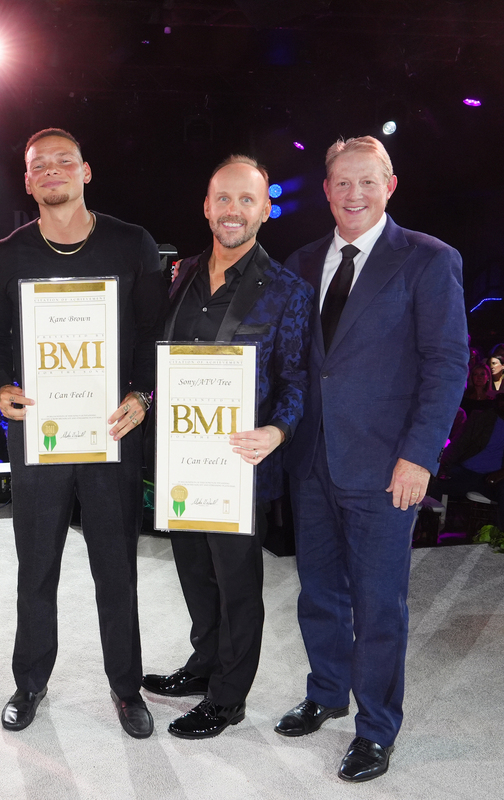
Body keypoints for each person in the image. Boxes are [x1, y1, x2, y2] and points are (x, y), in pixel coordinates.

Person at [279, 136, 467, 782]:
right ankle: (326, 692)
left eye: (366, 182)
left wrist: (419, 455)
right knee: (319, 595)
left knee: (378, 604)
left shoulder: (427, 260)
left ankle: (375, 728)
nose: (352, 194)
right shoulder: (302, 262)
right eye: (340, 183)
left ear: (390, 186)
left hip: (387, 468)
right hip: (311, 462)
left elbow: (446, 365)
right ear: (325, 189)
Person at [0, 128, 168, 739]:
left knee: (117, 569)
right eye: (40, 166)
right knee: (36, 567)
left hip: (112, 432)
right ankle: (30, 681)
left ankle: (125, 687)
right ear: (27, 180)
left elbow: (152, 335)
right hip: (39, 434)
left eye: (65, 161)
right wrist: (2, 384)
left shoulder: (131, 244)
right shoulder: (7, 255)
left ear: (87, 172)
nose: (53, 171)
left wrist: (143, 395)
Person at [143, 155, 312, 739]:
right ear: (206, 206)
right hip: (184, 459)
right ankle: (204, 663)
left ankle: (228, 696)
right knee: (194, 571)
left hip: (241, 463)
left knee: (238, 584)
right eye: (223, 199)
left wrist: (279, 430)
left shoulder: (288, 290)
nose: (233, 211)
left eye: (246, 200)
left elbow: (296, 381)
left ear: (265, 209)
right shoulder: (183, 273)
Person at [431, 377, 504, 529]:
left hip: (503, 478)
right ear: (497, 399)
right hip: (468, 472)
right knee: (432, 481)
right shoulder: (479, 417)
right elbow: (457, 445)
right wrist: (441, 466)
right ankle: (429, 529)